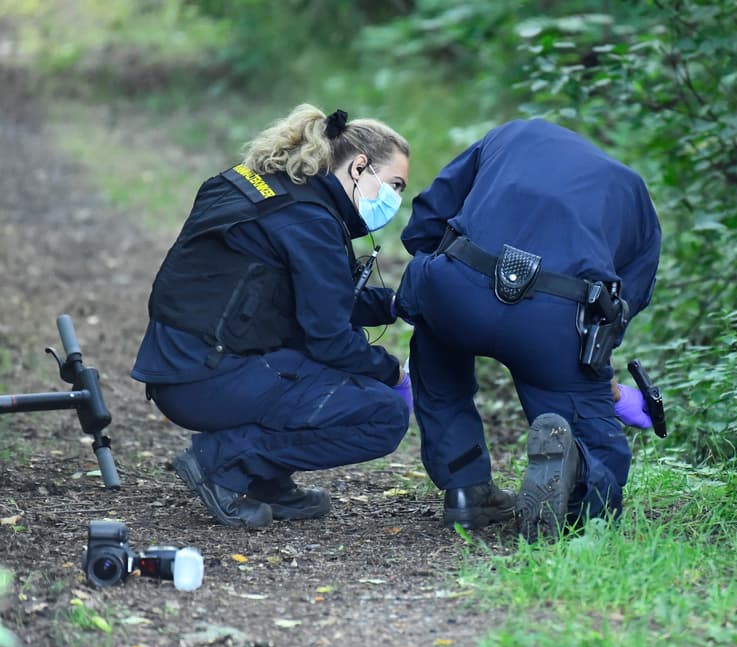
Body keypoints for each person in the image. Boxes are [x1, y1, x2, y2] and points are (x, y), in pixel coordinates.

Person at [131, 104, 413, 529]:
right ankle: (225, 463)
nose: (395, 198)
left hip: (183, 365)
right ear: (359, 167)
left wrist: (391, 305)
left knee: (320, 363)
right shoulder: (309, 220)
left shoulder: (265, 187)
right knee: (383, 416)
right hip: (207, 376)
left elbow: (309, 298)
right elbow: (329, 336)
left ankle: (266, 480)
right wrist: (393, 375)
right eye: (394, 184)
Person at [394, 118, 661, 540]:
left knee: (435, 339)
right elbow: (625, 301)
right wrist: (598, 372)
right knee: (589, 427)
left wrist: (446, 277)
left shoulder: (514, 134)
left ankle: (466, 489)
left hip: (459, 288)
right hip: (554, 320)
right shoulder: (631, 189)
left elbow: (427, 218)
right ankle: (579, 502)